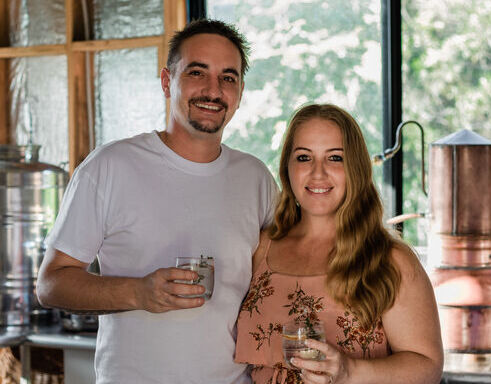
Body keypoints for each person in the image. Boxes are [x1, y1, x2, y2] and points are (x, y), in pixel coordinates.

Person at [36, 19, 277, 384]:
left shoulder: (256, 177)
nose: (214, 90)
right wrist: (138, 292)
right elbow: (50, 284)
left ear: (240, 92)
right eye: (198, 72)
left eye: (228, 77)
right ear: (167, 82)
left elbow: (281, 275)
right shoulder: (110, 166)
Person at [235, 104, 443, 384]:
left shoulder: (390, 259)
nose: (318, 173)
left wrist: (350, 371)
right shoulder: (260, 248)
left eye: (334, 158)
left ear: (355, 168)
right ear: (287, 168)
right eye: (304, 157)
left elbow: (427, 367)